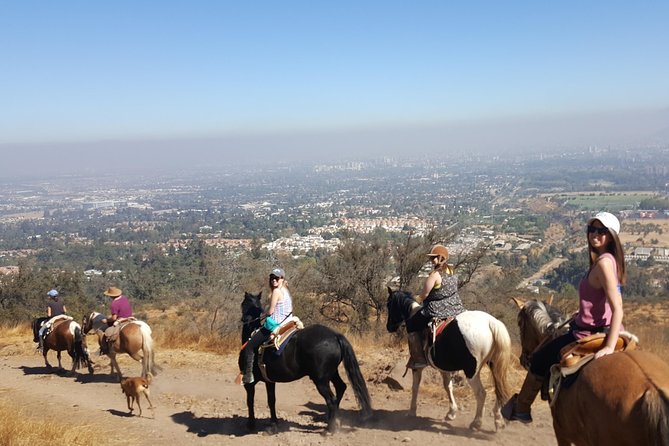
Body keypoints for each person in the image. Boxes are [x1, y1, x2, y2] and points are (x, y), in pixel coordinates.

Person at [502, 211, 626, 423]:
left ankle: (521, 408)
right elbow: (602, 300)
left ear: (612, 235)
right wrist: (584, 312)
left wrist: (608, 346)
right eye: (592, 229)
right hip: (604, 326)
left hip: (588, 333)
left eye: (602, 231)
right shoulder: (611, 260)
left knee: (540, 358)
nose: (595, 234)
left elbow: (618, 307)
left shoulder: (603, 263)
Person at [405, 244, 465, 369]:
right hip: (457, 307)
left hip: (436, 310)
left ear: (440, 258)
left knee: (411, 324)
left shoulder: (434, 275)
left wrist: (415, 299)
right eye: (432, 258)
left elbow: (424, 295)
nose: (432, 260)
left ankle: (419, 358)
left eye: (434, 258)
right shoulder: (452, 271)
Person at [240, 267, 293, 384]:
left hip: (275, 325)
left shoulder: (276, 291)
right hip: (288, 322)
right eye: (272, 278)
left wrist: (262, 315)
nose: (274, 280)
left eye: (277, 278)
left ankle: (248, 376)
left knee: (249, 346)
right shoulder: (285, 290)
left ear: (282, 279)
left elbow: (270, 311)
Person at [100, 286, 133, 354]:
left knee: (107, 332)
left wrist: (106, 320)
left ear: (111, 296)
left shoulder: (114, 304)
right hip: (130, 318)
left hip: (121, 320)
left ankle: (107, 349)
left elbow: (114, 318)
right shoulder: (124, 298)